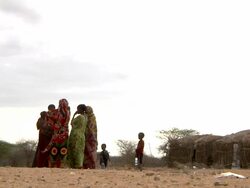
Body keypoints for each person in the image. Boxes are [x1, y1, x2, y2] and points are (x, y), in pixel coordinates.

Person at [42, 99, 70, 168]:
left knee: (54, 149)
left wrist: (48, 115)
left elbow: (54, 118)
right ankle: (62, 165)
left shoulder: (58, 113)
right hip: (65, 134)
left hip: (57, 133)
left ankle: (53, 165)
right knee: (63, 149)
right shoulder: (68, 112)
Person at [67, 104, 88, 168]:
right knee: (80, 150)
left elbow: (71, 123)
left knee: (74, 150)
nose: (77, 110)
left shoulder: (79, 117)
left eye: (78, 109)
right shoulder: (86, 117)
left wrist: (74, 115)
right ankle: (79, 164)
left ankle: (75, 165)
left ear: (81, 109)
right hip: (82, 135)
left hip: (76, 135)